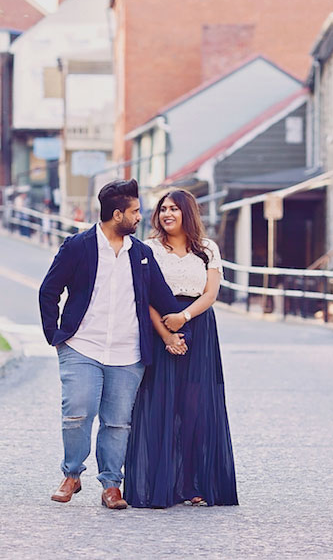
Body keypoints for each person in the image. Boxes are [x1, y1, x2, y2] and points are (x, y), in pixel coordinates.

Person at [38, 179, 188, 510]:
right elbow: (49, 290)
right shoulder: (78, 247)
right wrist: (55, 335)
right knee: (78, 411)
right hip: (81, 347)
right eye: (135, 212)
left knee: (118, 422)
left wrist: (188, 317)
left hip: (127, 353)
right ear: (117, 214)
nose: (140, 217)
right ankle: (72, 474)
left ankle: (111, 485)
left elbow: (162, 298)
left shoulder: (143, 255)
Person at [123, 188, 238, 509]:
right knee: (160, 405)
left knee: (196, 408)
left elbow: (211, 293)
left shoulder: (207, 249)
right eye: (163, 209)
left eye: (174, 208)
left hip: (199, 329)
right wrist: (166, 334)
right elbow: (142, 297)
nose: (167, 214)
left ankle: (195, 484)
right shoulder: (148, 248)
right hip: (160, 326)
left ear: (188, 212)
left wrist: (184, 317)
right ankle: (159, 486)